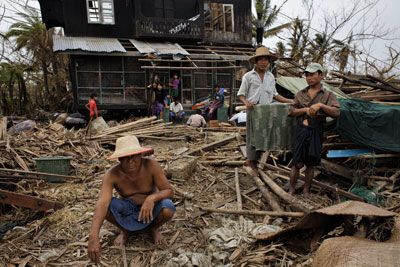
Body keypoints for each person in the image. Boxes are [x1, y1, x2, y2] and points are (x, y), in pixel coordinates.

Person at [88, 135, 175, 263]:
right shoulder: (112, 174)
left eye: (133, 156)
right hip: (129, 207)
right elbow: (102, 203)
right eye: (125, 158)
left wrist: (151, 198)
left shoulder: (151, 165)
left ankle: (154, 228)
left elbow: (169, 191)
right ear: (119, 158)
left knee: (168, 207)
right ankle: (125, 230)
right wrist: (93, 236)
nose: (130, 161)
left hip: (152, 208)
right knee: (107, 207)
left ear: (140, 155)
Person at [237, 46, 292, 175]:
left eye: (266, 59)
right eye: (260, 59)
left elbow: (275, 95)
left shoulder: (271, 77)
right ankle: (251, 161)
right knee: (252, 136)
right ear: (255, 62)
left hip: (267, 111)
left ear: (269, 62)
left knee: (265, 136)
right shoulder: (248, 76)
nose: (263, 62)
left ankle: (260, 160)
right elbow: (241, 94)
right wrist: (246, 103)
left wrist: (290, 101)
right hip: (254, 111)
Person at [288, 63, 340, 196]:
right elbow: (291, 111)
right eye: (307, 75)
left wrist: (321, 105)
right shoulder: (301, 94)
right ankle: (291, 189)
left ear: (321, 75)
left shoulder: (328, 95)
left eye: (312, 74)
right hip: (301, 130)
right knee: (296, 163)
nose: (309, 77)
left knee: (311, 163)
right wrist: (305, 109)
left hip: (316, 130)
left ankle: (306, 190)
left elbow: (336, 112)